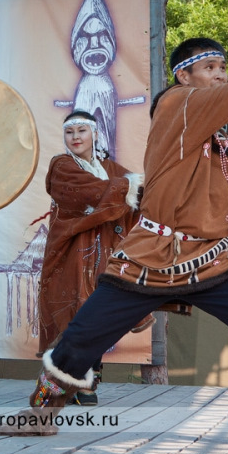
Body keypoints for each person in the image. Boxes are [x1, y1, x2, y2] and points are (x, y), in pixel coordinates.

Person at [0, 37, 228, 454]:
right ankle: (41, 413)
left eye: (224, 66)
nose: (221, 73)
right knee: (81, 338)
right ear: (184, 75)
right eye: (210, 67)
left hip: (212, 258)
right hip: (150, 254)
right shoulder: (177, 106)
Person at [36, 110, 145, 406]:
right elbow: (91, 191)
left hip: (105, 253)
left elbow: (139, 195)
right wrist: (130, 188)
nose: (75, 138)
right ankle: (58, 382)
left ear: (95, 134)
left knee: (98, 312)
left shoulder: (109, 167)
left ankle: (88, 380)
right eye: (70, 133)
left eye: (81, 131)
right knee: (71, 311)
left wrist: (147, 192)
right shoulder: (61, 166)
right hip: (71, 251)